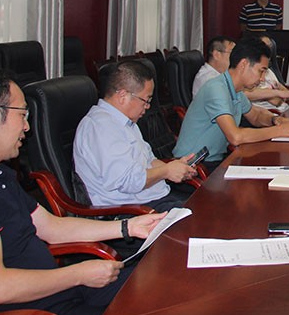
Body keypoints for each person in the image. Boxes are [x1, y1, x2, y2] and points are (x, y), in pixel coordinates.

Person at [0, 67, 166, 315]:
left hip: (55, 290)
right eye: (22, 115)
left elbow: (51, 227)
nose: (27, 127)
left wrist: (128, 226)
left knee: (159, 285)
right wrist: (78, 274)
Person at [74, 61, 197, 211]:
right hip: (131, 209)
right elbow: (128, 181)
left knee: (209, 206)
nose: (148, 107)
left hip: (154, 198)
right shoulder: (101, 127)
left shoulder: (125, 122)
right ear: (123, 96)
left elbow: (149, 161)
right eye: (146, 100)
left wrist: (177, 168)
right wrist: (167, 171)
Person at [173, 37, 289, 171]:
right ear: (243, 64)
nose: (262, 78)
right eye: (261, 71)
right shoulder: (216, 89)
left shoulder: (235, 90)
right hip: (192, 167)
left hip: (214, 161)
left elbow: (256, 116)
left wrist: (276, 120)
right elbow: (235, 136)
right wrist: (278, 131)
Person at [245, 34, 289, 110]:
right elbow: (276, 101)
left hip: (286, 109)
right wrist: (281, 94)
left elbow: (284, 90)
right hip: (272, 113)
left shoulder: (268, 70)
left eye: (270, 46)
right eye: (264, 45)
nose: (269, 49)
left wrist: (282, 94)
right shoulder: (251, 74)